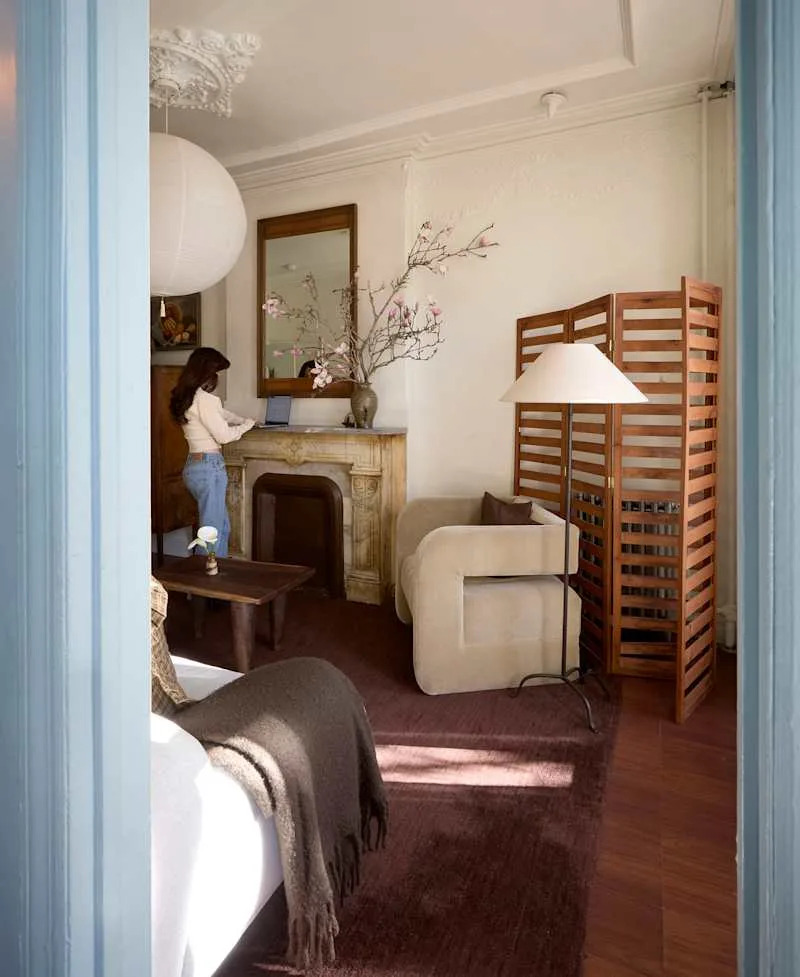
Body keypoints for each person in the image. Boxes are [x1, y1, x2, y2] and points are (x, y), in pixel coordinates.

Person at [169, 347, 255, 558]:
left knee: (221, 526)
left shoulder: (188, 397)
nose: (217, 378)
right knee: (212, 531)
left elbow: (221, 414)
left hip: (194, 466)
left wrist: (242, 420)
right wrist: (247, 426)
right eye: (216, 373)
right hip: (210, 467)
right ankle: (206, 576)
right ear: (206, 372)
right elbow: (223, 436)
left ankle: (216, 572)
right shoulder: (206, 400)